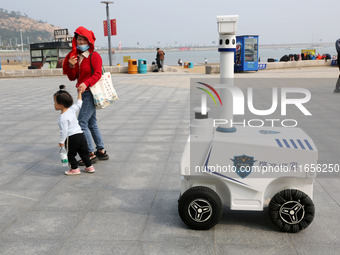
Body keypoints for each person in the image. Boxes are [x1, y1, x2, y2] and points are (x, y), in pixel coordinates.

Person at [63, 26, 109, 165]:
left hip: (90, 92)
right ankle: (100, 151)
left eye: (84, 39)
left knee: (81, 122)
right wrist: (71, 66)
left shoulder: (94, 56)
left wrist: (86, 83)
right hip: (83, 92)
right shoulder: (76, 57)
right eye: (79, 39)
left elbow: (97, 74)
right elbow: (72, 77)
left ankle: (90, 153)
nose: (81, 42)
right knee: (91, 122)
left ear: (89, 41)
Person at [54, 85, 95, 175]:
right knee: (84, 152)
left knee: (70, 154)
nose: (54, 105)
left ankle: (74, 168)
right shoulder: (72, 109)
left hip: (71, 138)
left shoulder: (62, 118)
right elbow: (79, 103)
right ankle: (89, 167)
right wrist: (80, 93)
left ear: (61, 104)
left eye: (55, 102)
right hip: (81, 135)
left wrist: (61, 142)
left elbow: (64, 131)